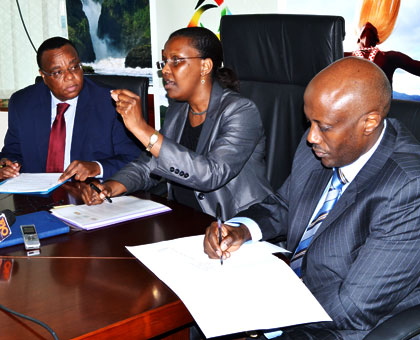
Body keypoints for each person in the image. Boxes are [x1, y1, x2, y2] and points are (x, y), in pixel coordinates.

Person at [204, 57, 420, 339]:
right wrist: (240, 229)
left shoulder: (409, 188)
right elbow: (285, 204)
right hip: (294, 295)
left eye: (325, 126)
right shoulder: (323, 145)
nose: (311, 137)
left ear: (369, 122)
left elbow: (353, 306)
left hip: (344, 328)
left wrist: (263, 309)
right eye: (311, 123)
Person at [81, 26, 272, 219]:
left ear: (205, 67)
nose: (165, 70)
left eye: (176, 61)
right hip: (184, 218)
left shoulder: (240, 111)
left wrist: (141, 129)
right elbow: (150, 164)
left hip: (235, 226)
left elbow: (211, 175)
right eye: (164, 62)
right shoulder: (178, 110)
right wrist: (110, 187)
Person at [0, 37, 141, 181]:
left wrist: (97, 167)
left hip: (89, 194)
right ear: (43, 76)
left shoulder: (110, 103)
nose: (70, 77)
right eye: (58, 72)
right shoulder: (23, 103)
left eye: (74, 67)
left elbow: (135, 159)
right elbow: (12, 151)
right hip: (35, 196)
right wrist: (7, 165)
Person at [344, 22, 420, 87]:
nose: (368, 23)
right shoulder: (343, 57)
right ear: (358, 39)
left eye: (372, 33)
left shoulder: (390, 57)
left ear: (376, 41)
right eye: (364, 30)